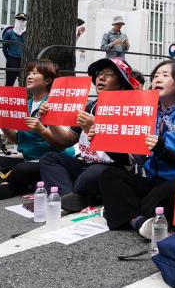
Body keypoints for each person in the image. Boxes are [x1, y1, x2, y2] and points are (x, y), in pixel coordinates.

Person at [98, 61, 175, 237]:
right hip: (151, 181)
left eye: (165, 75)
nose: (158, 79)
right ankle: (140, 221)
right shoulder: (148, 114)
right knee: (110, 175)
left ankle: (123, 211)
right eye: (156, 76)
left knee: (170, 190)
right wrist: (104, 142)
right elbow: (131, 160)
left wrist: (162, 151)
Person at [38, 57, 138, 213]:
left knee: (95, 173)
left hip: (113, 168)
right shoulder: (90, 107)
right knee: (49, 159)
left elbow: (127, 158)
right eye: (99, 74)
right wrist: (50, 119)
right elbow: (67, 140)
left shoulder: (131, 110)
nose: (101, 78)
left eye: (109, 74)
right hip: (86, 164)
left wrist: (97, 130)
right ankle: (70, 197)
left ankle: (81, 195)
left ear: (122, 83)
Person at [0, 60, 75, 199]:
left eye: (34, 73)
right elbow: (15, 139)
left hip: (49, 161)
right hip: (29, 159)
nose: (29, 76)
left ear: (47, 80)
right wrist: (0, 121)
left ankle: (8, 183)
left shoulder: (55, 103)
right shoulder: (25, 104)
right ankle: (3, 185)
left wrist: (41, 129)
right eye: (29, 73)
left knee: (22, 169)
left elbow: (60, 144)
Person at [1, 13, 27, 86]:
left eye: (23, 19)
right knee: (9, 82)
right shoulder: (9, 33)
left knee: (24, 83)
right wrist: (9, 58)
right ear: (16, 20)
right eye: (19, 19)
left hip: (24, 61)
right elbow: (4, 48)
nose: (21, 21)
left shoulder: (27, 33)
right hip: (12, 59)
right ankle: (6, 96)